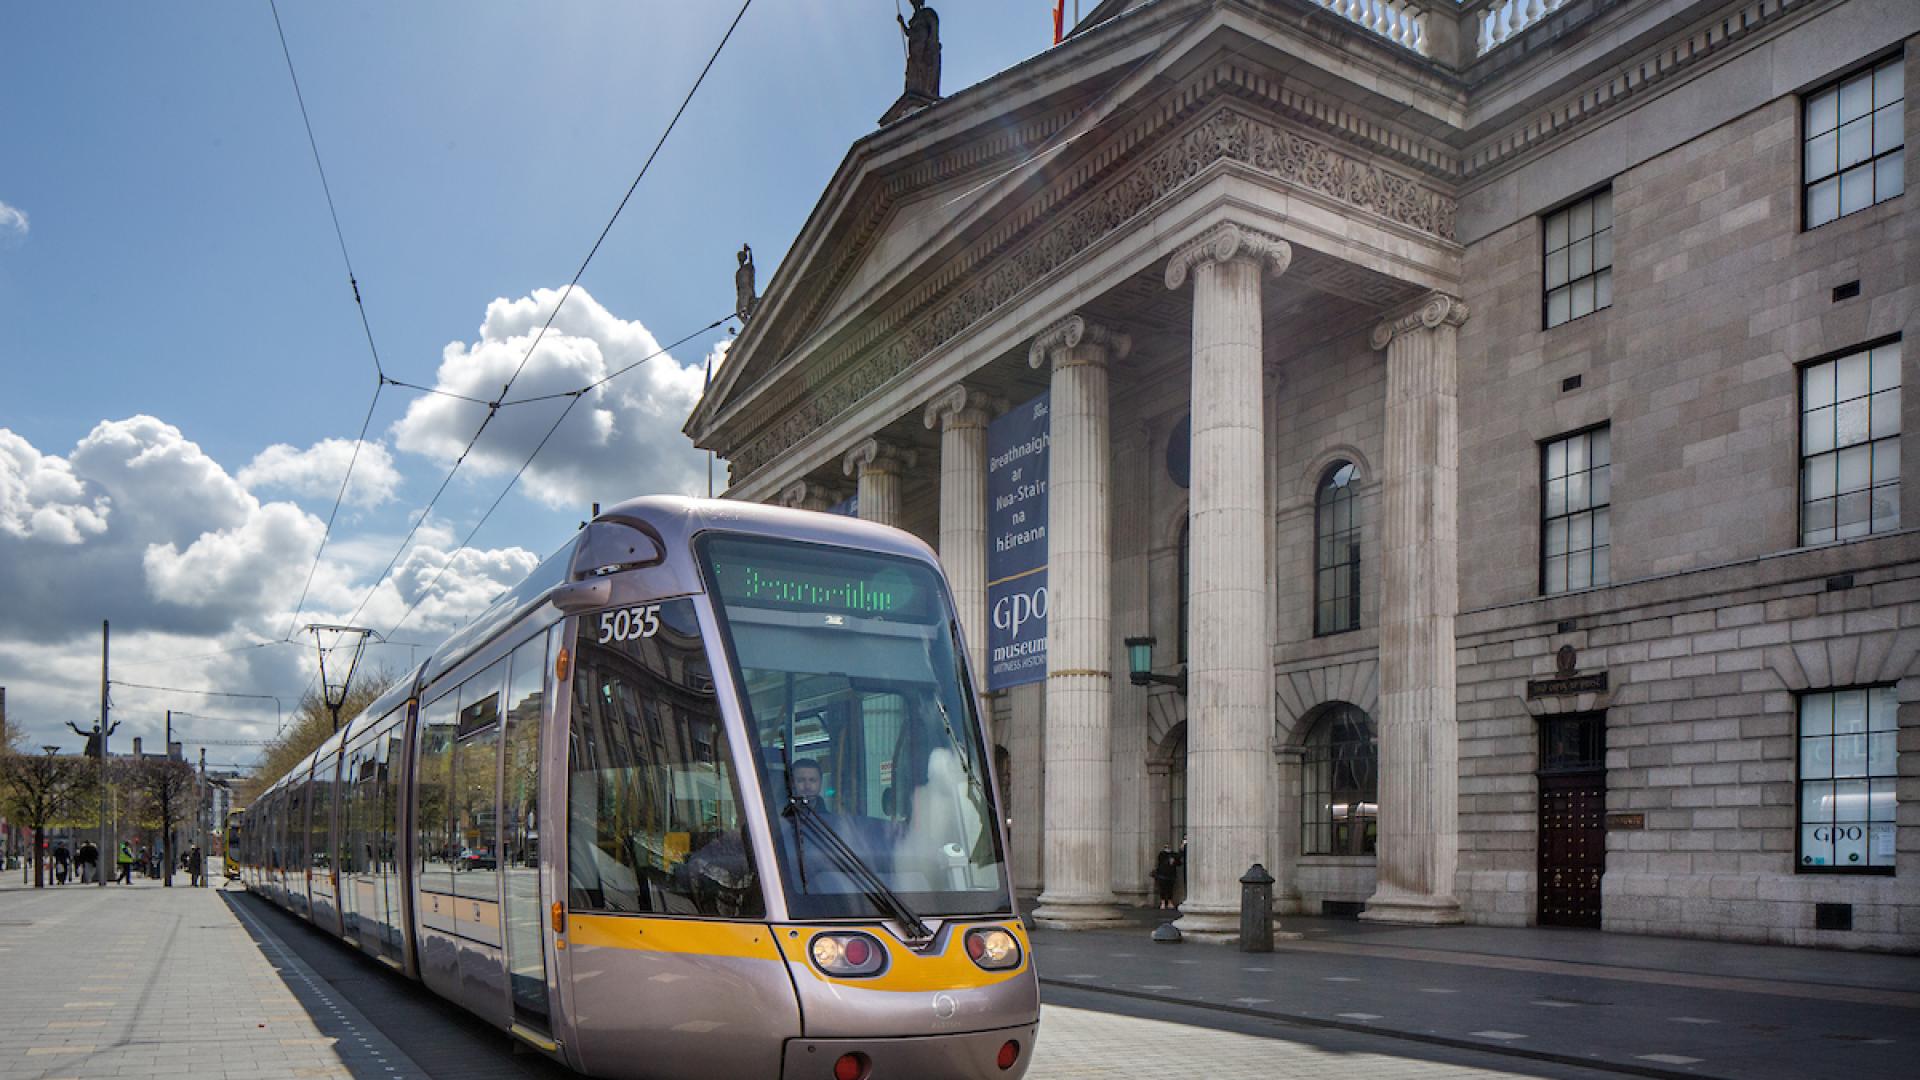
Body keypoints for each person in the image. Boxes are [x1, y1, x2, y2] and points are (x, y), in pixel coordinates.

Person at [1150, 839, 1186, 910]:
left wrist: (1181, 849)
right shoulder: (1162, 854)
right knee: (1163, 888)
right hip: (1163, 874)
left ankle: (1169, 902)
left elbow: (1178, 861)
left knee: (1170, 889)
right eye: (1166, 846)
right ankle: (1163, 902)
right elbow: (1161, 861)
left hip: (1170, 874)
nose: (1167, 847)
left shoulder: (1173, 854)